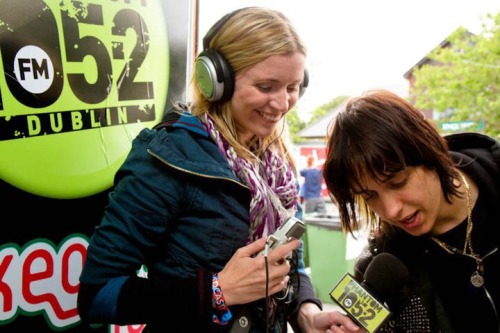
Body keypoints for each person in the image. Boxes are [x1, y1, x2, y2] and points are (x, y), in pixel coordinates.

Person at [77, 7, 363, 333]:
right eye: (267, 86)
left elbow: (288, 262)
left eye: (293, 87)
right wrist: (217, 290)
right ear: (215, 79)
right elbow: (97, 295)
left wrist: (307, 312)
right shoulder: (167, 157)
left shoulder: (277, 162)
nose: (283, 104)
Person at [322, 89, 500, 333]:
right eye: (369, 196)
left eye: (398, 182)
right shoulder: (383, 267)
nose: (391, 210)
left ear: (428, 151)